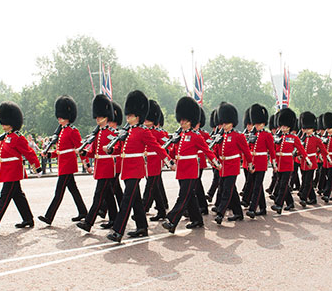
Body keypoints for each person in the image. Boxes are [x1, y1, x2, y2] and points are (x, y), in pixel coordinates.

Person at [106, 90, 171, 243]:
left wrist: (169, 161)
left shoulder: (143, 131)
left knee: (126, 200)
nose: (128, 118)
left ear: (138, 116)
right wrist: (111, 150)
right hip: (127, 169)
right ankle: (142, 227)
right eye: (127, 115)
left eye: (131, 116)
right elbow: (121, 149)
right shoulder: (127, 131)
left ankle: (118, 231)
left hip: (136, 169)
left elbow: (157, 147)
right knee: (135, 200)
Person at [0, 102, 42, 232]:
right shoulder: (6, 137)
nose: (3, 124)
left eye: (5, 121)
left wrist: (37, 166)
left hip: (13, 171)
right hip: (7, 170)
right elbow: (3, 155)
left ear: (11, 122)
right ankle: (28, 219)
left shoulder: (18, 138)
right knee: (18, 196)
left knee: (4, 197)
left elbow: (29, 153)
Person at [162, 97, 219, 233]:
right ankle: (197, 220)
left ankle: (172, 220)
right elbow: (174, 152)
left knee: (183, 196)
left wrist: (216, 162)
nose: (181, 122)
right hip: (181, 169)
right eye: (180, 120)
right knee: (190, 196)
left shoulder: (196, 136)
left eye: (184, 120)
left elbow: (207, 150)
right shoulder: (180, 136)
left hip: (191, 170)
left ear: (191, 121)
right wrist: (168, 159)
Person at [38, 96, 89, 226]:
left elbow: (80, 148)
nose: (59, 118)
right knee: (73, 189)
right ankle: (83, 212)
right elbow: (60, 151)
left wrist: (86, 163)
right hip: (63, 164)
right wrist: (49, 154)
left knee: (59, 192)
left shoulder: (73, 131)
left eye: (61, 116)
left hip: (68, 165)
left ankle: (49, 216)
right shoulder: (61, 131)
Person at [76, 95, 119, 233]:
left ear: (106, 117)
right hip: (100, 167)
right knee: (108, 195)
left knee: (98, 195)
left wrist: (110, 150)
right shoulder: (98, 134)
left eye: (100, 117)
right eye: (97, 117)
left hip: (107, 167)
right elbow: (93, 152)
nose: (97, 119)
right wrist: (83, 153)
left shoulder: (112, 133)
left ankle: (89, 222)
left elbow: (116, 148)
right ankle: (114, 219)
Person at [213, 102, 253, 224]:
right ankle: (238, 213)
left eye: (226, 123)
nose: (224, 125)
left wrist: (250, 164)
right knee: (231, 190)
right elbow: (215, 151)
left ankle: (220, 213)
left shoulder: (238, 136)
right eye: (223, 123)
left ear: (232, 122)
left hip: (233, 166)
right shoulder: (221, 136)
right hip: (222, 167)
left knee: (226, 190)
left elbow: (246, 151)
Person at [245, 103, 277, 218]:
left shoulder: (267, 135)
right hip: (253, 163)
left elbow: (272, 151)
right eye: (256, 123)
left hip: (262, 162)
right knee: (256, 186)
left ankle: (252, 209)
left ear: (263, 124)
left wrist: (274, 164)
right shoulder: (252, 134)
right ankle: (262, 208)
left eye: (258, 124)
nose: (256, 125)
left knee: (257, 186)